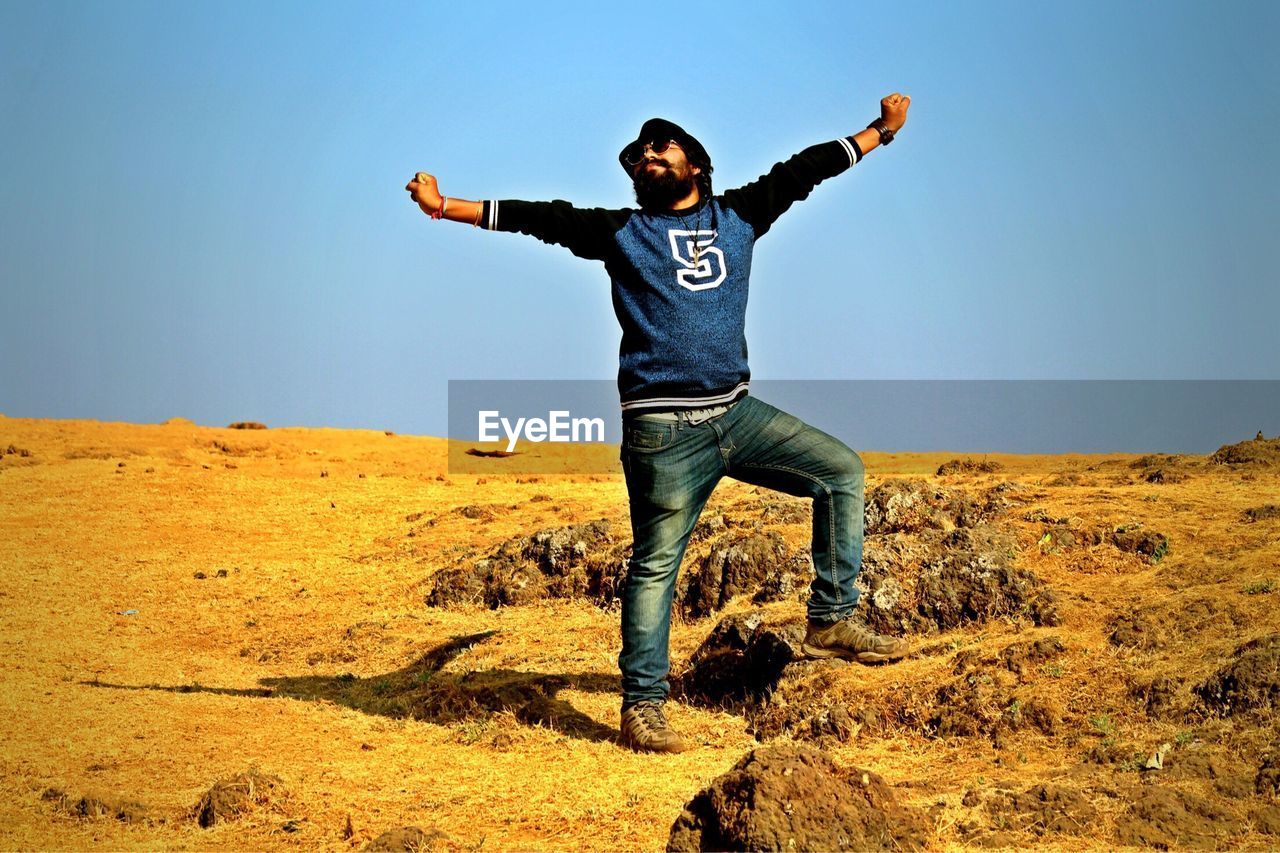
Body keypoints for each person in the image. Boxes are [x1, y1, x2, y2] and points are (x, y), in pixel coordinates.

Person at [406, 94, 913, 753]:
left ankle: (833, 619)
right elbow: (539, 218)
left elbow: (804, 170)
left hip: (738, 412)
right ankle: (643, 707)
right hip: (663, 432)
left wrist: (880, 132)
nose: (647, 157)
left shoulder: (740, 214)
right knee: (655, 566)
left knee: (840, 470)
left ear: (695, 165)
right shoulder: (620, 233)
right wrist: (445, 207)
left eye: (661, 147)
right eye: (638, 155)